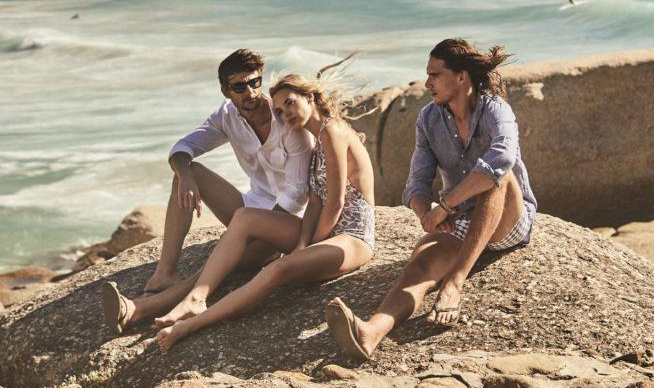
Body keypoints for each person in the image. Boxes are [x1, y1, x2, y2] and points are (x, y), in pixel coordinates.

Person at [325, 38, 537, 360]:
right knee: (421, 264)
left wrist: (447, 205)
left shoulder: (496, 109)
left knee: (497, 177)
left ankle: (455, 282)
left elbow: (501, 158)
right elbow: (416, 183)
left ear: (461, 77)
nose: (427, 84)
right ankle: (370, 333)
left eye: (435, 75)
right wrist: (426, 214)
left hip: (508, 221)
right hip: (463, 222)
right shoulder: (428, 118)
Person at [151, 71, 376, 351]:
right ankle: (196, 297)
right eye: (279, 111)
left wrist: (307, 248)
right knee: (244, 217)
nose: (285, 115)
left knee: (278, 268)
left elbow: (336, 203)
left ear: (309, 97)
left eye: (290, 104)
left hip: (352, 237)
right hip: (324, 233)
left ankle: (190, 324)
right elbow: (316, 202)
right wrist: (303, 243)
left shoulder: (333, 130)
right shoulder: (315, 141)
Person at [102, 49, 312, 332]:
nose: (249, 92)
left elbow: (298, 194)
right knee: (189, 174)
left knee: (216, 264)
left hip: (287, 225)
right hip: (249, 212)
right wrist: (185, 174)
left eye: (255, 82)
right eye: (239, 86)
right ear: (226, 91)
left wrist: (248, 233)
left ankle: (139, 309)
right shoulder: (227, 117)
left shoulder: (287, 120)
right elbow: (182, 148)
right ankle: (165, 273)